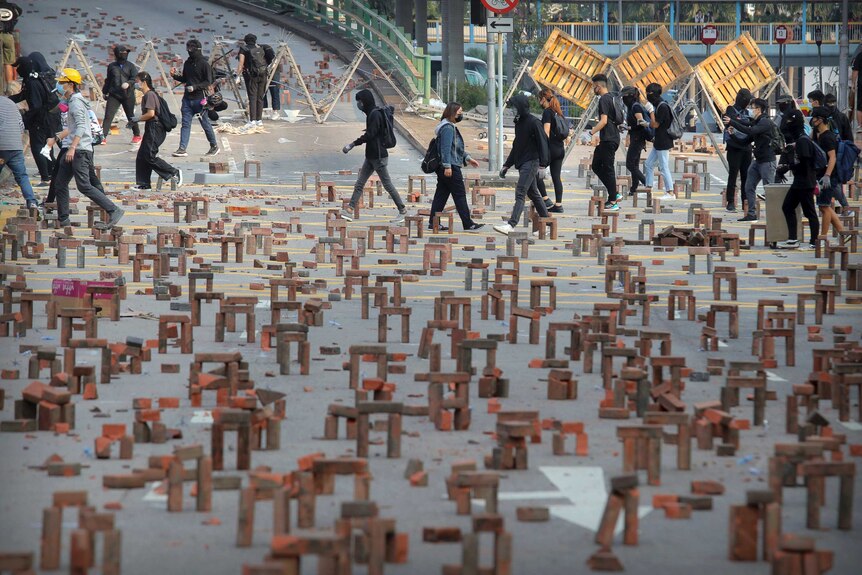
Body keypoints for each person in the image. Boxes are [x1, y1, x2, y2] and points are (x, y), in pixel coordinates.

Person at [51, 68, 123, 229]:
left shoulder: (76, 102)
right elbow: (72, 127)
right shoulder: (71, 101)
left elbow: (82, 127)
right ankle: (64, 220)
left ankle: (114, 210)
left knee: (83, 185)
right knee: (60, 183)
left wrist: (72, 148)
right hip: (74, 148)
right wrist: (59, 139)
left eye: (62, 83)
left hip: (80, 150)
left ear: (70, 84)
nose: (60, 86)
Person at [340, 89, 407, 224]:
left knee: (387, 185)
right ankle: (349, 210)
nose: (358, 104)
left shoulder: (374, 115)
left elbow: (370, 135)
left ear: (365, 102)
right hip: (371, 156)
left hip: (378, 156)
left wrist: (352, 144)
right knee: (359, 184)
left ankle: (402, 210)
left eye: (359, 101)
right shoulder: (371, 113)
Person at [492, 94, 551, 235]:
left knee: (520, 192)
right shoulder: (519, 123)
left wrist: (543, 164)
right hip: (523, 162)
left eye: (514, 107)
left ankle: (511, 225)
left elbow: (543, 143)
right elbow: (517, 145)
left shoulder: (534, 122)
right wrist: (507, 165)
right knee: (533, 193)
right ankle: (546, 225)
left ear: (520, 107)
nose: (512, 110)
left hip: (531, 162)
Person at [429, 102, 484, 232]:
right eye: (459, 112)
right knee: (459, 194)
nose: (461, 115)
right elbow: (446, 149)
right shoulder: (448, 128)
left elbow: (455, 149)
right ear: (452, 113)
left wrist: (468, 158)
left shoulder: (446, 126)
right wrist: (447, 166)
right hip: (451, 167)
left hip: (446, 166)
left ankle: (433, 222)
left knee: (441, 195)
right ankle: (468, 223)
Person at [723, 98, 777, 222]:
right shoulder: (756, 122)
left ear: (758, 109)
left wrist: (732, 121)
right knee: (748, 186)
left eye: (752, 108)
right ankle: (751, 214)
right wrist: (732, 135)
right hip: (757, 161)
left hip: (767, 161)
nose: (750, 110)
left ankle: (774, 216)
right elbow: (744, 141)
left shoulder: (765, 122)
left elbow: (749, 130)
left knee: (769, 190)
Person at [9, 53, 59, 186]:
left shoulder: (32, 82)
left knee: (37, 147)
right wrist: (6, 100)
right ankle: (51, 171)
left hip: (40, 118)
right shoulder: (33, 79)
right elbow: (23, 96)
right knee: (46, 145)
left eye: (19, 67)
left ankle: (46, 177)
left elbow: (36, 106)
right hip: (47, 117)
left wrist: (25, 119)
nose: (17, 70)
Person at [775, 110, 819, 249]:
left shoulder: (802, 141)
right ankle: (793, 238)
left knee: (810, 212)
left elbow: (805, 162)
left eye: (789, 121)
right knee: (787, 207)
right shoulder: (799, 140)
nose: (787, 124)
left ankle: (814, 241)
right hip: (799, 182)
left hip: (805, 183)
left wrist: (788, 166)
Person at [131, 71, 182, 191]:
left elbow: (151, 114)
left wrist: (137, 118)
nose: (136, 84)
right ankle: (144, 184)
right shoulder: (147, 95)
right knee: (142, 155)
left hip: (155, 127)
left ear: (144, 82)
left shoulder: (149, 95)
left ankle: (174, 172)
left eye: (138, 81)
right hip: (151, 126)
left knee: (149, 155)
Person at [170, 38, 219, 157]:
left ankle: (214, 146)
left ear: (197, 49)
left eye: (191, 48)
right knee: (185, 124)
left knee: (205, 123)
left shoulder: (204, 63)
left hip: (200, 99)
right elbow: (185, 79)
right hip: (187, 99)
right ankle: (182, 148)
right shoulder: (187, 63)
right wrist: (175, 76)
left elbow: (208, 81)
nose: (189, 51)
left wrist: (195, 87)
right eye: (188, 48)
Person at [588, 73, 621, 211]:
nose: (593, 90)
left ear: (599, 86)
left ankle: (613, 201)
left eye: (593, 87)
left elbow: (604, 121)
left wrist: (592, 132)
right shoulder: (612, 97)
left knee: (608, 169)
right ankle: (615, 193)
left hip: (609, 138)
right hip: (610, 138)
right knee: (596, 165)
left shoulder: (603, 100)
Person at [810, 106, 844, 239]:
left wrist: (827, 176)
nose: (812, 120)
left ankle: (823, 237)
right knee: (824, 206)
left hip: (828, 176)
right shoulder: (818, 135)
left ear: (820, 120)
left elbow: (833, 157)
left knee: (824, 206)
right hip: (821, 175)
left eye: (814, 118)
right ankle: (842, 232)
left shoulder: (827, 137)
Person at [0, 94, 38, 209]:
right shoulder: (10, 103)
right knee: (22, 176)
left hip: (2, 146)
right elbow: (21, 125)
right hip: (16, 146)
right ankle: (32, 202)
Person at [102, 45, 141, 145]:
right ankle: (103, 137)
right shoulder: (112, 66)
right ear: (117, 54)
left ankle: (137, 135)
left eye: (126, 52)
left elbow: (135, 78)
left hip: (128, 94)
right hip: (114, 94)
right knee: (108, 116)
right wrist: (104, 92)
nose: (125, 54)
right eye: (123, 52)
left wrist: (129, 83)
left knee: (130, 115)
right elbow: (108, 80)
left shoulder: (131, 66)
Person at [643, 83, 675, 201]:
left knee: (663, 166)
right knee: (648, 164)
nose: (647, 96)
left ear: (655, 94)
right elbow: (653, 124)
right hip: (659, 141)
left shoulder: (662, 107)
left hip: (664, 141)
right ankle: (648, 189)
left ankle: (670, 192)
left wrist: (651, 112)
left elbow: (655, 124)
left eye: (649, 93)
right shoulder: (659, 105)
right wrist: (646, 123)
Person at [724, 88, 753, 212]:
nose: (748, 103)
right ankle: (730, 201)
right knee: (733, 175)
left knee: (746, 176)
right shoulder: (730, 109)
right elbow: (728, 122)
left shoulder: (747, 112)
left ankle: (745, 201)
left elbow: (752, 124)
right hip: (734, 148)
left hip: (746, 147)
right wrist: (743, 122)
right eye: (746, 100)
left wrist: (738, 122)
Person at [536, 88, 566, 213]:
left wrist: (542, 148)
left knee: (535, 173)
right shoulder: (558, 112)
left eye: (539, 99)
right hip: (560, 149)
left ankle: (545, 198)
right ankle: (558, 205)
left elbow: (546, 132)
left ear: (543, 99)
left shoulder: (547, 112)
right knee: (556, 177)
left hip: (551, 149)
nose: (539, 102)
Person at [621, 86, 650, 199]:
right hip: (636, 137)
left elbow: (641, 123)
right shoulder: (632, 107)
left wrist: (629, 127)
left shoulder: (636, 107)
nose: (623, 99)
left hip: (638, 139)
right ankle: (634, 188)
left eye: (624, 96)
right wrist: (627, 127)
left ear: (630, 96)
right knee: (635, 164)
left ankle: (647, 182)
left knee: (630, 164)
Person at [235, 33, 268, 127]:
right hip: (263, 74)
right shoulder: (260, 49)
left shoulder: (244, 49)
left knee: (252, 97)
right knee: (260, 98)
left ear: (245, 40)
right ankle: (259, 120)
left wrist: (237, 75)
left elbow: (241, 63)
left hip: (251, 76)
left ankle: (252, 120)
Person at [0, 1, 21, 86]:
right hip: (8, 36)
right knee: (8, 63)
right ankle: (10, 86)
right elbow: (19, 12)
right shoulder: (11, 7)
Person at [261, 42, 281, 120]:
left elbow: (274, 61)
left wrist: (269, 69)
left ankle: (275, 111)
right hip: (262, 70)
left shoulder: (266, 48)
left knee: (274, 90)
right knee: (262, 91)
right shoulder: (252, 51)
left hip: (273, 70)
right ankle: (263, 110)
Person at [852, 48, 862, 132]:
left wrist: (853, 84)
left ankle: (860, 125)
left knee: (860, 106)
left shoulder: (859, 56)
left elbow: (855, 71)